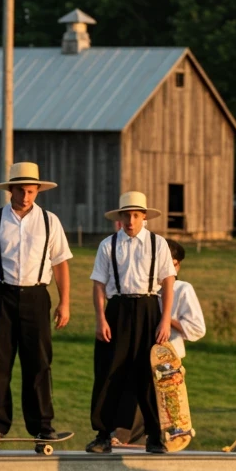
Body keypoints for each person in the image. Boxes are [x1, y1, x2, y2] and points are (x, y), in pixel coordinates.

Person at [0, 161, 72, 442]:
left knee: (39, 362)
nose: (25, 197)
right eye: (20, 190)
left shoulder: (50, 221)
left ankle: (42, 425)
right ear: (10, 190)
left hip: (36, 296)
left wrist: (65, 302)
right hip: (1, 295)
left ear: (38, 191)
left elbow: (60, 264)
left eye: (31, 191)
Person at [87, 192, 175, 454]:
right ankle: (103, 434)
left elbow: (168, 282)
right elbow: (98, 284)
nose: (131, 220)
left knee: (149, 375)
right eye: (126, 215)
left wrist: (165, 319)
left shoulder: (158, 244)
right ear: (120, 218)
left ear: (144, 217)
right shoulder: (108, 245)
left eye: (136, 215)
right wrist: (101, 318)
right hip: (117, 309)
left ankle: (155, 435)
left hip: (148, 309)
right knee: (109, 372)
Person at [111, 238, 205, 446]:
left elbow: (197, 329)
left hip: (168, 357)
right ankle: (124, 437)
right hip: (140, 350)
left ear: (176, 264)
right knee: (133, 395)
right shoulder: (146, 287)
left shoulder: (183, 289)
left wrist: (166, 319)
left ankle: (165, 439)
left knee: (163, 404)